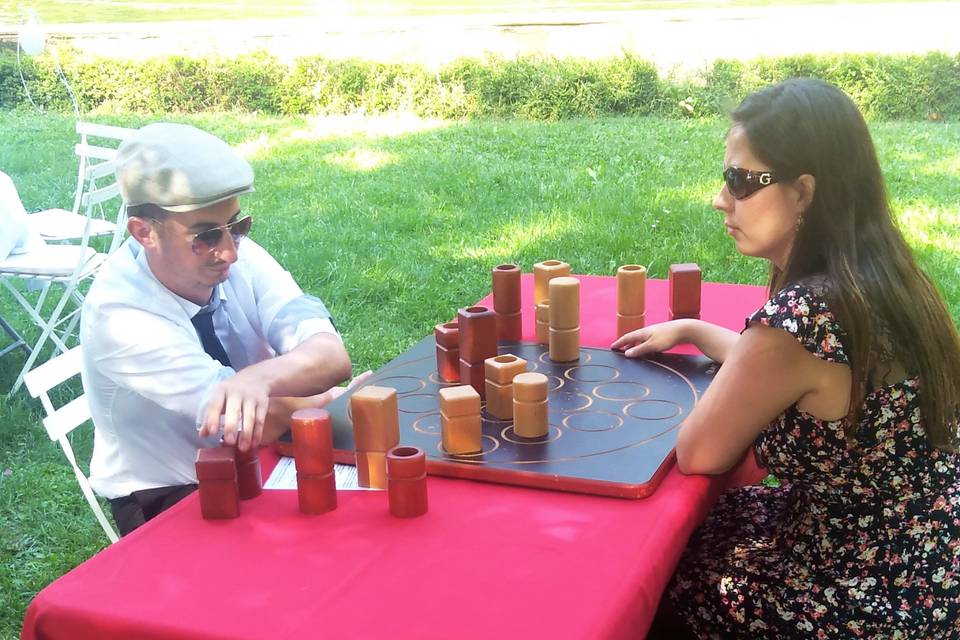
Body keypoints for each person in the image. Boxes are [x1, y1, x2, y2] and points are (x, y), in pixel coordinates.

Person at [613, 79, 960, 638]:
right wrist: (698, 331)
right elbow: (812, 376)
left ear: (804, 192)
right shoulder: (882, 273)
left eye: (741, 182)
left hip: (868, 591)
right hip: (927, 557)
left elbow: (700, 452)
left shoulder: (802, 319)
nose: (720, 199)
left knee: (655, 569)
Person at [80, 123, 359, 536]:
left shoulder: (233, 254)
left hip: (261, 454)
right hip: (171, 491)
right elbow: (243, 424)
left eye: (237, 226)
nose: (228, 250)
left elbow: (330, 355)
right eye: (206, 235)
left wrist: (257, 380)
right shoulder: (118, 314)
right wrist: (333, 403)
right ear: (144, 233)